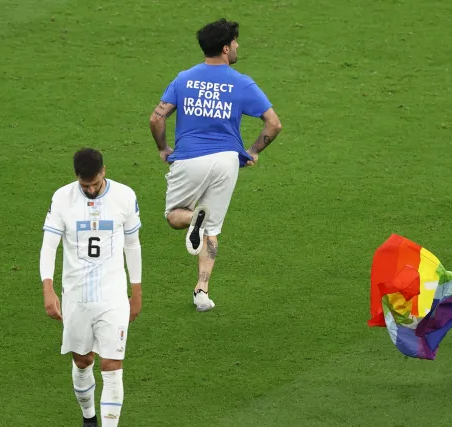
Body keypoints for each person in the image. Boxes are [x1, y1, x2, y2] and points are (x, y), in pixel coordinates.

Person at [149, 18, 282, 312]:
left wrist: (163, 148)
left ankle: (194, 216)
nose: (237, 46)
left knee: (174, 216)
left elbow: (157, 118)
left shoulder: (183, 79)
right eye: (235, 42)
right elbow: (273, 124)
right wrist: (252, 151)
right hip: (226, 162)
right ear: (225, 49)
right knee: (212, 227)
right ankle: (202, 291)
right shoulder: (241, 82)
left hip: (189, 158)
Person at [40, 148, 143, 426]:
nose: (92, 189)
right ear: (77, 179)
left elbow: (133, 245)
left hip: (113, 295)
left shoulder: (124, 196)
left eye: (96, 183)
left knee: (112, 367)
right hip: (76, 295)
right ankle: (89, 418)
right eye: (86, 185)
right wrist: (47, 288)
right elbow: (49, 246)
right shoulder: (62, 198)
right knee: (83, 360)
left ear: (104, 172)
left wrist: (137, 290)